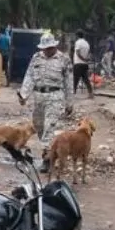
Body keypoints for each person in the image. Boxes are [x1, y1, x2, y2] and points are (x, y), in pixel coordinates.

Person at [17, 32, 73, 174]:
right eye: (44, 48)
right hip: (39, 96)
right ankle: (51, 150)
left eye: (49, 48)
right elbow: (29, 76)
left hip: (55, 96)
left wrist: (69, 102)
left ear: (54, 46)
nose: (46, 51)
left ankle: (46, 159)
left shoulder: (64, 59)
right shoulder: (36, 58)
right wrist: (24, 95)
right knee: (39, 126)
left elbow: (68, 82)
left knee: (49, 127)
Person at [71, 30, 93, 97]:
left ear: (77, 36)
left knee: (75, 79)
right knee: (86, 79)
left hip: (78, 63)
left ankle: (73, 93)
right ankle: (90, 93)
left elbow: (77, 53)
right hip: (84, 64)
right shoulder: (86, 43)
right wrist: (86, 59)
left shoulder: (78, 42)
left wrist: (83, 59)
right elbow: (89, 53)